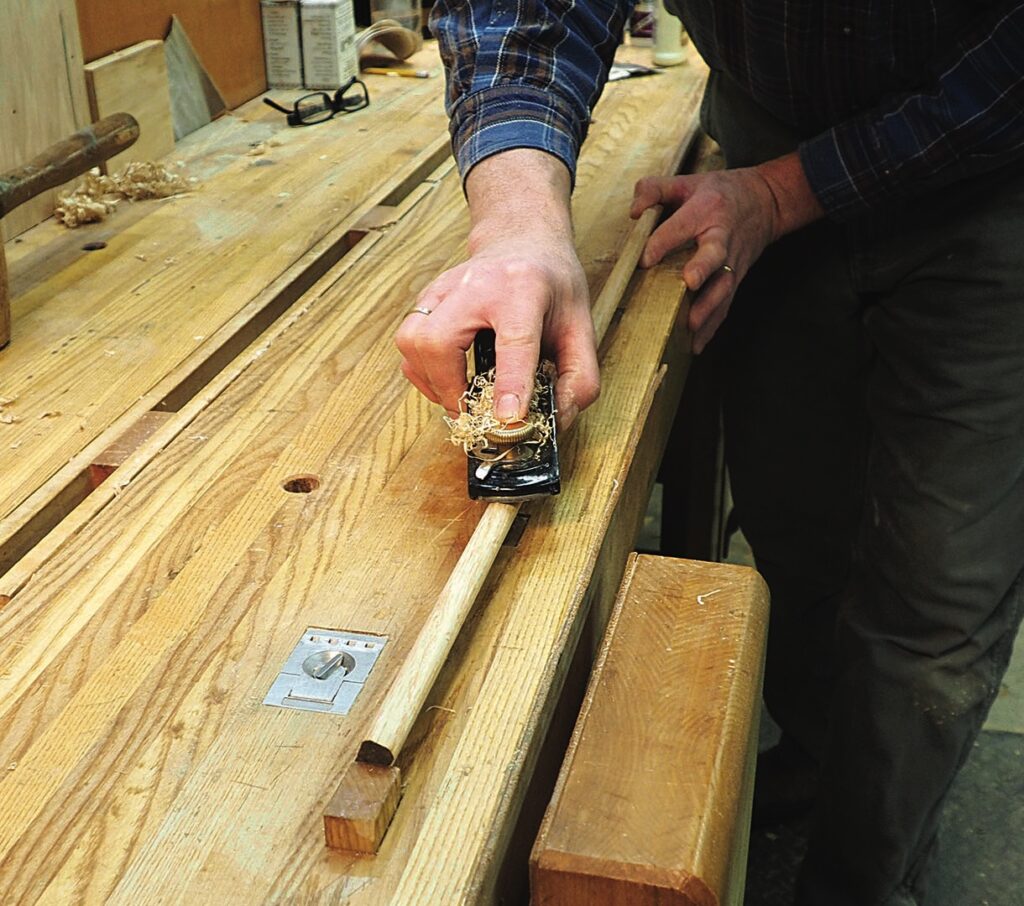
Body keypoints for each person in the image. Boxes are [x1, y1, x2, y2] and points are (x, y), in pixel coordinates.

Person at [395, 3, 1024, 904]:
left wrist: (783, 193)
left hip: (996, 164)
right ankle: (817, 754)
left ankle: (866, 868)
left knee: (937, 599)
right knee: (795, 524)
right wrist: (519, 224)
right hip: (771, 124)